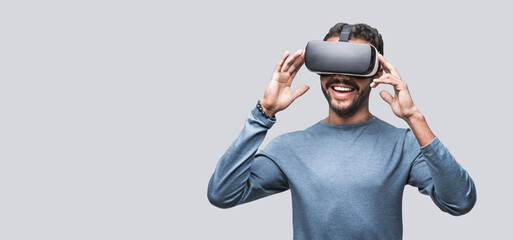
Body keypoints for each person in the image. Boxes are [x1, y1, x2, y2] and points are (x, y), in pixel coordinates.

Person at [207, 22, 477, 239]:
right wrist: (263, 113)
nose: (342, 77)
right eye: (332, 64)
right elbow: (222, 194)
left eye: (355, 66)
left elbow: (459, 202)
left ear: (376, 72)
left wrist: (414, 118)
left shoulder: (402, 144)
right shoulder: (289, 147)